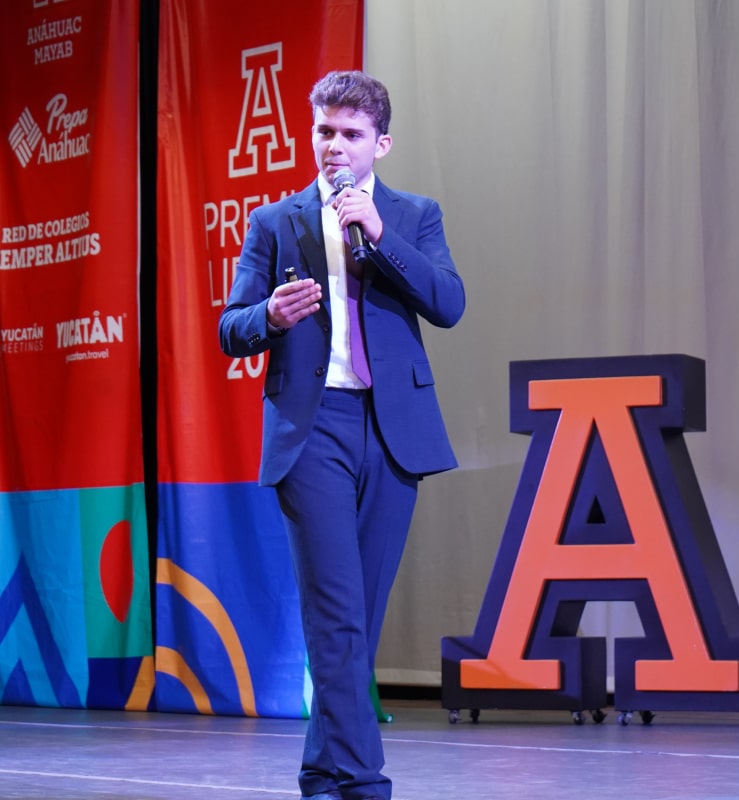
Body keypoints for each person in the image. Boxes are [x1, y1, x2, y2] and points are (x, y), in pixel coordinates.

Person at [218, 70, 465, 800]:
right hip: (313, 428)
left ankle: (322, 772)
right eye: (325, 130)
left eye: (352, 134)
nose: (335, 146)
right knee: (336, 616)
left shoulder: (413, 214)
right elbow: (231, 327)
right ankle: (363, 780)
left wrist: (380, 235)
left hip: (392, 431)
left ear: (379, 144)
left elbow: (449, 303)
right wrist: (271, 316)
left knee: (359, 619)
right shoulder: (275, 221)